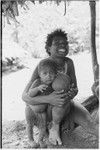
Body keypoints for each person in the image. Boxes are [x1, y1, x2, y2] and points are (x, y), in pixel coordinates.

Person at [22, 29, 98, 147]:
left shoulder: (69, 63)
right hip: (44, 110)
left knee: (90, 124)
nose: (63, 45)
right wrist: (49, 99)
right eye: (57, 43)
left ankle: (55, 126)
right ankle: (51, 128)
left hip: (64, 105)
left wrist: (71, 94)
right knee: (44, 115)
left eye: (65, 43)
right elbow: (25, 96)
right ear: (48, 48)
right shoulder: (43, 65)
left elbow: (76, 88)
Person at [26, 59, 71, 148]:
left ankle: (40, 140)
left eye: (51, 73)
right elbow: (30, 94)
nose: (48, 76)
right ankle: (30, 140)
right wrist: (38, 89)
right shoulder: (38, 82)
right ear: (40, 75)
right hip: (30, 109)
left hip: (42, 111)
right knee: (29, 124)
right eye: (45, 74)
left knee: (43, 126)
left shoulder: (53, 85)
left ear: (56, 74)